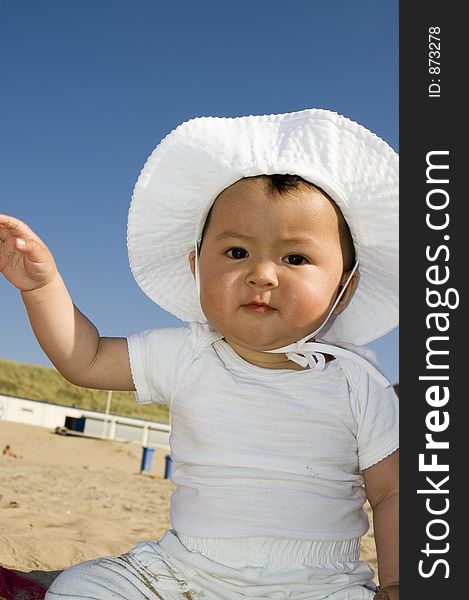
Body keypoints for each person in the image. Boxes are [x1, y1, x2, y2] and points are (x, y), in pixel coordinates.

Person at [0, 108, 399, 600]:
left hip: (317, 584)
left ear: (346, 284)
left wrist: (397, 582)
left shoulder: (359, 382)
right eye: (237, 253)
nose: (263, 274)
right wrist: (43, 288)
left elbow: (391, 492)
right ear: (196, 265)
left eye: (295, 258)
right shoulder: (188, 354)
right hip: (184, 570)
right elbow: (84, 359)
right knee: (87, 585)